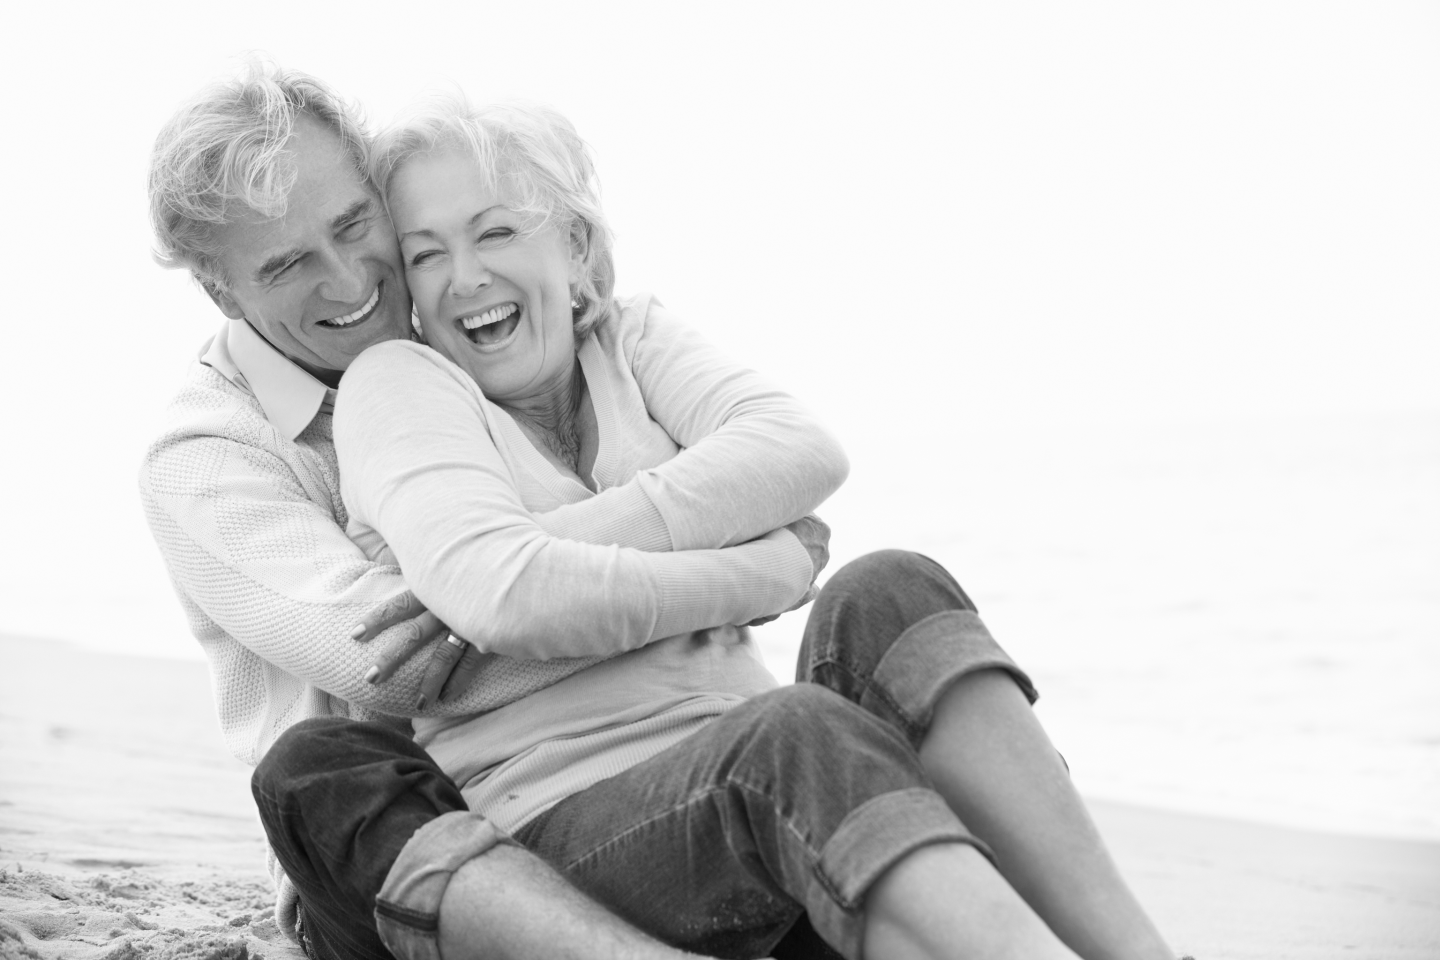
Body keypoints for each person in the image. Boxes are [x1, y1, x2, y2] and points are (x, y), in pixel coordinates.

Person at [254, 95, 1183, 960]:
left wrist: (550, 549)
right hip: (568, 829)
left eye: (496, 231)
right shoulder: (401, 386)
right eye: (427, 254)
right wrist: (766, 570)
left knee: (894, 588)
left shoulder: (630, 340)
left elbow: (801, 452)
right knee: (794, 734)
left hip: (762, 785)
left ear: (573, 244)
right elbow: (510, 597)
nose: (466, 278)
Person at [138, 61, 801, 960]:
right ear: (222, 292)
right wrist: (761, 571)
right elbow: (399, 668)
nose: (348, 280)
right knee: (320, 765)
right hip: (393, 844)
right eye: (288, 263)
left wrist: (512, 582)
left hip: (606, 789)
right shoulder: (207, 458)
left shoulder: (462, 345)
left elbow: (511, 590)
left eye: (353, 225)